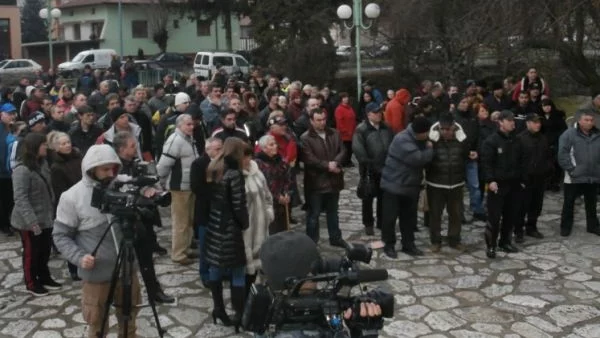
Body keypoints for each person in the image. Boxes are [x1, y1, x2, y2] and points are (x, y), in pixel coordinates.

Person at [53, 145, 142, 337]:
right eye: (105, 169)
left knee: (130, 318)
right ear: (91, 169)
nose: (111, 173)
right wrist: (79, 257)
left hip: (127, 268)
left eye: (114, 168)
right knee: (96, 324)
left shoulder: (122, 185)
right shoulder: (71, 197)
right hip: (96, 273)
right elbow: (60, 236)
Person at [257, 231, 384, 338]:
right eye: (312, 272)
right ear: (295, 282)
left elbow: (335, 327)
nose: (316, 276)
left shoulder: (274, 311)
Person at [204, 137, 249, 332]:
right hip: (230, 227)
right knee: (238, 270)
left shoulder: (214, 169)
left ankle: (219, 309)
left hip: (215, 225)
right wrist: (244, 223)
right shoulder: (234, 174)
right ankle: (239, 313)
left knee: (215, 267)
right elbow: (239, 204)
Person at [11, 133, 59, 296]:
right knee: (32, 252)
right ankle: (31, 282)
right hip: (29, 222)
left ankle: (44, 277)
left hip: (45, 217)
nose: (46, 147)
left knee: (44, 250)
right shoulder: (22, 170)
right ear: (34, 147)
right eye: (43, 144)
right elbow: (21, 198)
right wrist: (32, 222)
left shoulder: (42, 163)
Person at [380, 116, 433, 258]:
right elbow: (418, 159)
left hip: (410, 186)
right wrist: (430, 149)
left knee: (409, 218)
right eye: (426, 133)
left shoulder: (418, 139)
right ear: (420, 132)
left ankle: (408, 245)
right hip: (394, 185)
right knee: (390, 218)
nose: (428, 136)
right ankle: (389, 245)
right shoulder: (402, 139)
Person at [481, 111, 525, 258]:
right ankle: (491, 246)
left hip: (514, 184)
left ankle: (505, 241)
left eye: (513, 120)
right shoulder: (491, 141)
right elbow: (486, 164)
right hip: (497, 185)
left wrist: (522, 180)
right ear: (500, 122)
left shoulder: (516, 140)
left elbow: (521, 160)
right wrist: (490, 180)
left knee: (510, 215)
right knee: (494, 217)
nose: (513, 123)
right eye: (509, 120)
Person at [157, 114, 199, 265]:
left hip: (189, 185)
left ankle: (186, 248)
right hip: (179, 186)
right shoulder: (175, 140)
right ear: (179, 125)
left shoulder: (188, 139)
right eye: (188, 124)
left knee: (188, 220)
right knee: (181, 222)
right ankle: (178, 254)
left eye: (192, 124)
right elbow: (163, 165)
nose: (191, 127)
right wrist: (161, 183)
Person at [301, 108, 346, 247]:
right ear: (311, 121)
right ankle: (311, 242)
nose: (322, 122)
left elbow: (342, 150)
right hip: (316, 182)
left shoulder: (334, 133)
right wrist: (328, 166)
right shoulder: (306, 138)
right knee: (314, 214)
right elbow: (309, 159)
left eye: (324, 119)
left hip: (333, 180)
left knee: (333, 212)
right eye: (318, 120)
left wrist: (336, 163)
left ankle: (336, 237)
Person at [425, 114, 469, 252]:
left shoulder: (461, 139)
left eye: (448, 129)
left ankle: (454, 240)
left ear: (454, 128)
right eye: (442, 129)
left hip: (456, 184)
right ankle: (435, 241)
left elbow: (466, 154)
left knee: (456, 214)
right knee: (435, 214)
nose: (445, 132)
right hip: (436, 184)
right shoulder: (432, 139)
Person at [352, 103, 394, 236]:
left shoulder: (387, 127)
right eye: (375, 113)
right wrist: (367, 162)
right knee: (368, 197)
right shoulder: (362, 129)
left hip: (386, 168)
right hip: (369, 169)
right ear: (368, 114)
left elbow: (392, 143)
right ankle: (368, 223)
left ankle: (381, 221)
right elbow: (358, 149)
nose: (379, 115)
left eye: (380, 112)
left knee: (384, 197)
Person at [558, 111, 600, 237]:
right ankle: (565, 227)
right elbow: (563, 154)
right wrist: (572, 170)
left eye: (591, 120)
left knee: (591, 203)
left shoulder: (598, 134)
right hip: (574, 175)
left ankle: (593, 226)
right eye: (586, 120)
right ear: (579, 121)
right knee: (569, 202)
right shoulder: (569, 134)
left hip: (593, 175)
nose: (589, 122)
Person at [48, 132, 83, 281]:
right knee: (72, 235)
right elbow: (59, 191)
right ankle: (73, 268)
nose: (67, 145)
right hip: (69, 203)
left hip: (84, 199)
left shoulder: (78, 158)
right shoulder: (56, 167)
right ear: (56, 148)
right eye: (63, 144)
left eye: (68, 142)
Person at [241, 144, 274, 296]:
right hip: (246, 231)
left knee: (260, 266)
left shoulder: (256, 172)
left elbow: (267, 196)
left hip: (261, 227)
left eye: (249, 155)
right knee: (246, 270)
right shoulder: (236, 176)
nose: (247, 159)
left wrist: (268, 213)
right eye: (244, 156)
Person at [190, 137, 223, 285]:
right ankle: (205, 273)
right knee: (205, 244)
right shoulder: (199, 164)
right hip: (206, 210)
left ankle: (219, 270)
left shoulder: (224, 163)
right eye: (216, 149)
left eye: (220, 148)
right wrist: (216, 193)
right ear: (208, 149)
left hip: (221, 210)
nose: (219, 151)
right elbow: (196, 187)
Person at [515, 114, 552, 243]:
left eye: (539, 122)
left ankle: (531, 227)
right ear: (528, 123)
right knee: (521, 206)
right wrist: (520, 178)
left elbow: (548, 156)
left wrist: (547, 169)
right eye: (535, 122)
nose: (538, 125)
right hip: (525, 179)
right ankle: (518, 230)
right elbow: (516, 160)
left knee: (536, 205)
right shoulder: (520, 139)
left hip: (540, 178)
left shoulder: (543, 138)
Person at [255, 134, 291, 235]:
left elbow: (287, 179)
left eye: (275, 143)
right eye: (271, 145)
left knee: (283, 230)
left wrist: (286, 193)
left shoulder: (282, 161)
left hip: (282, 202)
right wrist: (276, 196)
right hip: (267, 202)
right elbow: (262, 184)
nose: (275, 146)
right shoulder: (258, 163)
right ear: (263, 148)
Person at [0, 103, 18, 236]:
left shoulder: (14, 128)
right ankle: (4, 224)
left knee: (12, 198)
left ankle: (11, 222)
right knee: (3, 199)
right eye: (9, 113)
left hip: (13, 170)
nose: (12, 116)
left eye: (13, 113)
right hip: (2, 172)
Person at [334, 93, 357, 167]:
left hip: (351, 132)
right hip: (344, 134)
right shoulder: (339, 109)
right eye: (344, 97)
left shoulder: (350, 108)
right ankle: (344, 162)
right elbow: (339, 123)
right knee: (345, 149)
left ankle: (348, 161)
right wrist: (345, 131)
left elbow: (353, 119)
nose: (346, 99)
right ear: (341, 99)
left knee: (350, 149)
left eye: (347, 97)